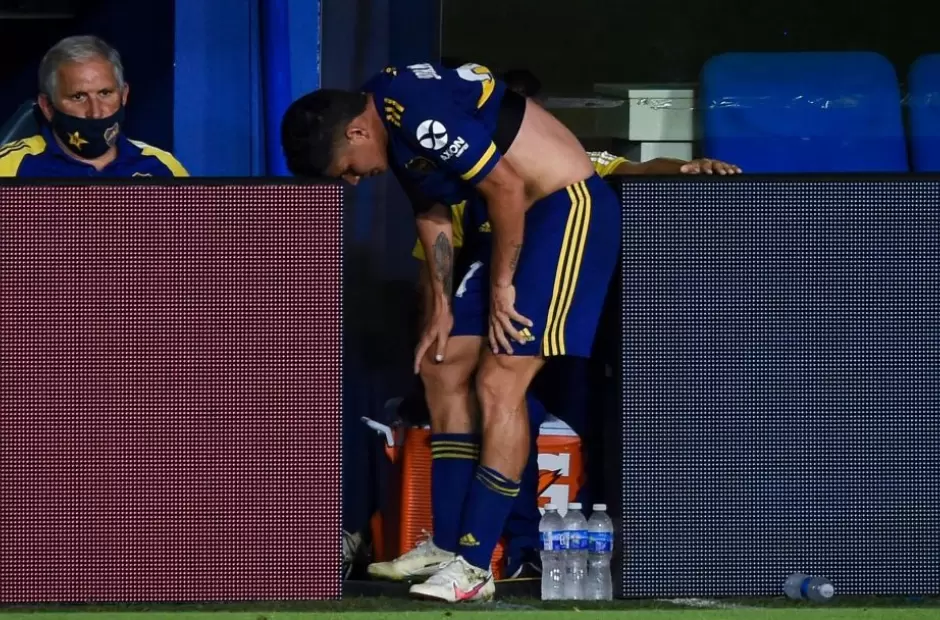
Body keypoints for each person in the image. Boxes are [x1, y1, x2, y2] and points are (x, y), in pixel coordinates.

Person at [280, 61, 719, 603]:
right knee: (441, 363)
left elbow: (506, 186)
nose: (351, 180)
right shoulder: (386, 115)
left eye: (345, 169)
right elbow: (432, 212)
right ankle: (444, 545)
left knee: (499, 380)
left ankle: (473, 565)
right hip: (515, 227)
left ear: (356, 132)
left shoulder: (412, 110)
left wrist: (503, 286)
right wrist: (442, 306)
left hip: (565, 211)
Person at [0, 35, 188, 177]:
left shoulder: (164, 168)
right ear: (47, 106)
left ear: (124, 95)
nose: (96, 112)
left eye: (105, 93)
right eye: (78, 97)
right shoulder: (9, 167)